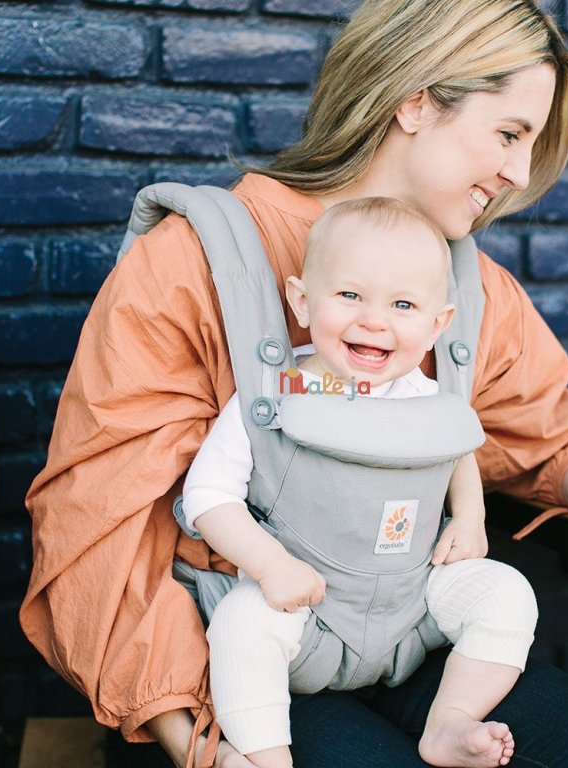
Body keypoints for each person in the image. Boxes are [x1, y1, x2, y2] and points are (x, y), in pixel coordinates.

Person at [20, 2, 568, 767]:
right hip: (228, 657)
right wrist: (203, 749)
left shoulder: (472, 290)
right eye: (509, 134)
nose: (521, 175)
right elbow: (99, 532)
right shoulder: (189, 263)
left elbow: (538, 431)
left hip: (402, 625)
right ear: (416, 102)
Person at [182, 197, 537, 768]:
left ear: (437, 324)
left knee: (507, 591)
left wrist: (470, 518)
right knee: (241, 623)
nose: (374, 320)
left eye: (403, 304)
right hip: (307, 616)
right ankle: (267, 758)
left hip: (412, 608)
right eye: (349, 295)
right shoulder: (277, 392)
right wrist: (271, 567)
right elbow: (207, 496)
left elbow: (458, 453)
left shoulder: (426, 395)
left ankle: (450, 721)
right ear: (302, 301)